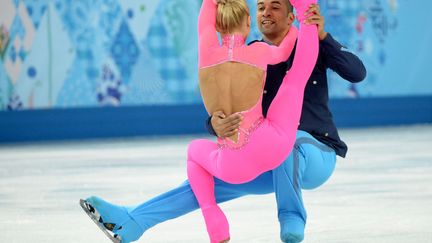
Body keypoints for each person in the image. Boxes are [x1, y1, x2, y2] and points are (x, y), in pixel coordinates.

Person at [80, 0, 365, 242]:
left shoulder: (312, 43)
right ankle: (133, 221)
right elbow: (230, 107)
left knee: (286, 144)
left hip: (316, 152)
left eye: (275, 7)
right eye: (261, 7)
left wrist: (323, 36)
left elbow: (357, 72)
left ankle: (291, 216)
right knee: (207, 181)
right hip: (269, 155)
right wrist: (215, 124)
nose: (265, 12)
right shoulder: (254, 55)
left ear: (292, 16)